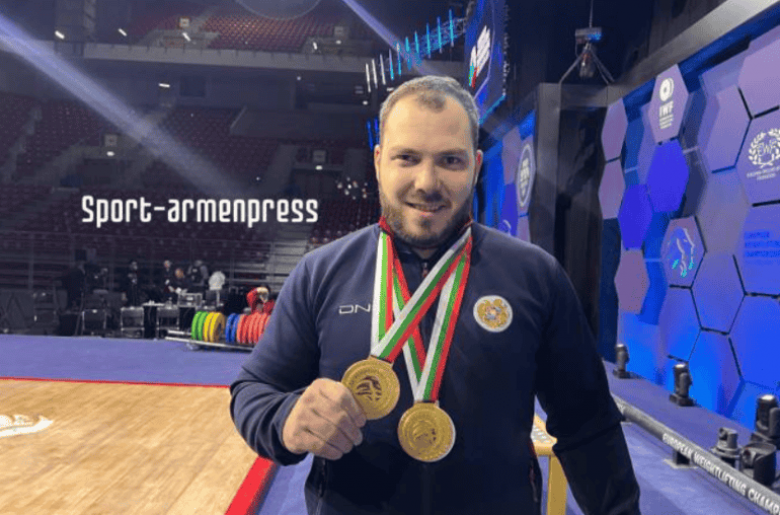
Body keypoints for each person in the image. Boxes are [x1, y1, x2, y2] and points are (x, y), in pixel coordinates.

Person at [230, 76, 642, 515]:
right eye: (407, 158)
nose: (427, 182)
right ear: (378, 161)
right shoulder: (321, 273)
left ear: (476, 166)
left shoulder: (536, 277)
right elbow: (254, 390)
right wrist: (287, 418)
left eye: (450, 160)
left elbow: (589, 424)